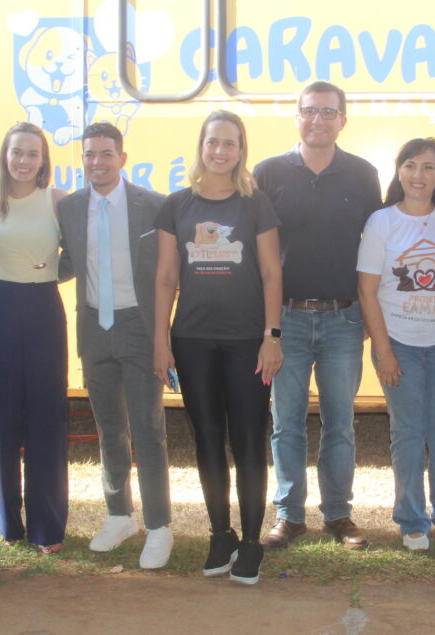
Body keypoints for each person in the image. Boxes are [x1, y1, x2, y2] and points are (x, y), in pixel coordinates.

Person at [153, 110, 282, 585]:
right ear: (201, 147)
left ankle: (251, 543)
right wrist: (160, 341)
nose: (221, 151)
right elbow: (166, 277)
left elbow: (272, 273)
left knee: (248, 441)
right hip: (192, 340)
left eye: (230, 143)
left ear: (240, 150)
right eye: (213, 142)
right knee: (207, 439)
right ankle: (220, 534)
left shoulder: (256, 205)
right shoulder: (176, 205)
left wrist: (273, 337)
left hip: (249, 340)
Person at [254, 81, 382, 551]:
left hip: (343, 320)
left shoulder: (363, 174)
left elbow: (378, 246)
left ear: (342, 120)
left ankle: (339, 516)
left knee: (339, 423)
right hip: (285, 320)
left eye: (329, 112)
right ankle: (289, 517)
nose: (319, 120)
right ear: (297, 117)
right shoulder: (267, 173)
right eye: (310, 111)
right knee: (286, 423)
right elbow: (257, 254)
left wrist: (373, 316)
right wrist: (265, 327)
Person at [57, 121, 173, 568]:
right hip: (93, 328)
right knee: (109, 429)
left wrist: (164, 334)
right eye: (89, 154)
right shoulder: (68, 208)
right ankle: (119, 514)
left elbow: (170, 271)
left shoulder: (154, 205)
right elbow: (63, 262)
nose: (97, 162)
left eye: (106, 154)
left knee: (147, 430)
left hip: (138, 327)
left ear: (122, 158)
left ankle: (159, 525)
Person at [356, 138, 435, 552]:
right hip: (398, 343)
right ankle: (412, 519)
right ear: (398, 170)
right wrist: (384, 352)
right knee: (407, 433)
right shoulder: (382, 221)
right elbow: (367, 292)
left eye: (429, 167)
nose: (418, 175)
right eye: (410, 166)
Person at [0, 122, 69, 554]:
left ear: (43, 160)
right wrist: (6, 273)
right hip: (1, 310)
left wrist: (45, 274)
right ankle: (9, 523)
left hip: (45, 309)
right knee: (2, 419)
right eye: (17, 152)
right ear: (5, 155)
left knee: (48, 419)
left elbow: (78, 254)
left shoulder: (57, 201)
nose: (24, 161)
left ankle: (47, 527)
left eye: (33, 153)